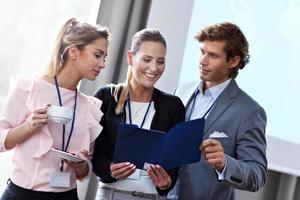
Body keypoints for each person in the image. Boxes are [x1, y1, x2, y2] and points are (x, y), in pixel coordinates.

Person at [0, 18, 110, 200]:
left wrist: (81, 166)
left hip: (66, 195)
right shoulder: (29, 88)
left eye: (105, 58)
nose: (102, 64)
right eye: (97, 55)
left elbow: (85, 170)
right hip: (23, 195)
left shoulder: (89, 106)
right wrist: (29, 126)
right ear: (74, 51)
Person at [170, 22, 267, 200]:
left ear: (233, 61)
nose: (202, 61)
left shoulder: (250, 112)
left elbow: (257, 176)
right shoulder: (180, 91)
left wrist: (224, 163)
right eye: (202, 52)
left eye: (213, 55)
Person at [92, 28, 186, 200]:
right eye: (147, 59)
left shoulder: (173, 106)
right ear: (130, 58)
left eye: (160, 61)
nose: (154, 68)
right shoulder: (106, 97)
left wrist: (166, 183)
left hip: (151, 196)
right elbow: (94, 152)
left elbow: (174, 164)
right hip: (109, 195)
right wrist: (109, 168)